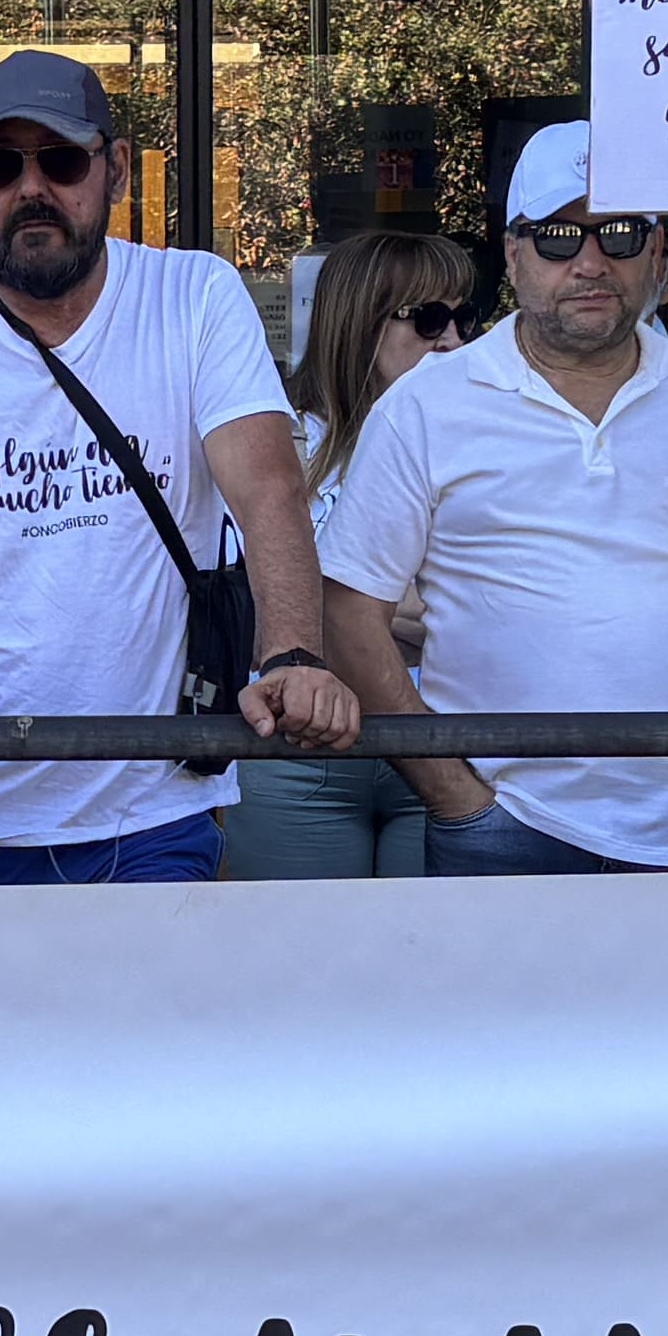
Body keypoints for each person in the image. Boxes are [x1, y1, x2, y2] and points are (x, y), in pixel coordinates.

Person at [0, 50, 353, 883]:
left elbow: (268, 491)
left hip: (150, 810)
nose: (32, 189)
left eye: (60, 161)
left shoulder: (193, 298)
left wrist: (293, 659)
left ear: (116, 169)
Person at [317, 122, 668, 878]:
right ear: (512, 254)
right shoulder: (429, 404)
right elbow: (347, 613)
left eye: (620, 234)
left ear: (658, 254)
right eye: (558, 237)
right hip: (504, 823)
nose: (591, 263)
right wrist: (455, 795)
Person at [226, 226, 479, 883]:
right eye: (428, 319)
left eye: (465, 319)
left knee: (439, 944)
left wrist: (348, 610)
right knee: (295, 945)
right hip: (297, 744)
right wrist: (360, 615)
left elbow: (486, 612)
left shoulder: (483, 447)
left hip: (444, 734)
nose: (453, 341)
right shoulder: (277, 441)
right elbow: (255, 612)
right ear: (361, 323)